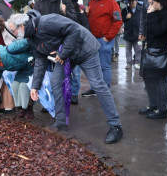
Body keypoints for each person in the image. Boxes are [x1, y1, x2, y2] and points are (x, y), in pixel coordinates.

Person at [16, 10, 123, 144]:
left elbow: (74, 29)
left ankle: (116, 126)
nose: (14, 34)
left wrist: (62, 54)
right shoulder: (31, 38)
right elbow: (40, 60)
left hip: (85, 50)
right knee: (56, 82)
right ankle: (60, 121)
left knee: (98, 85)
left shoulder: (47, 21)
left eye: (14, 31)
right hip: (66, 55)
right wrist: (35, 86)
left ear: (21, 26)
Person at [138, 0, 167, 119]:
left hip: (162, 51)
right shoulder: (152, 10)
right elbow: (148, 29)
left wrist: (151, 14)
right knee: (147, 77)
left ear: (160, 1)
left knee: (160, 80)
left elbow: (158, 31)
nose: (149, 4)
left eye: (151, 2)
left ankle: (162, 109)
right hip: (149, 48)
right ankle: (153, 105)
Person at [82, 0, 122, 97]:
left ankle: (105, 89)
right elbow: (89, 21)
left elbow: (118, 21)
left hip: (104, 40)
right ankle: (95, 88)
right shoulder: (92, 3)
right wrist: (86, 13)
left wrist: (108, 37)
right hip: (92, 40)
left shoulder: (112, 3)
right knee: (93, 66)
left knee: (104, 66)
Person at [68, 0, 90, 104]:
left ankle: (74, 94)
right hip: (67, 49)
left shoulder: (81, 17)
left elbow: (86, 31)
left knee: (76, 74)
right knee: (68, 73)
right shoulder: (64, 16)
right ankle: (69, 93)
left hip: (77, 49)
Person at [122, 0, 144, 69]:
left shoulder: (141, 9)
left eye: (133, 1)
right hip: (128, 33)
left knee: (138, 50)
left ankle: (137, 63)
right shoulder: (125, 10)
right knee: (128, 50)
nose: (132, 2)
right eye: (130, 1)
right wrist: (126, 17)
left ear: (136, 1)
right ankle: (129, 63)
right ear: (128, 1)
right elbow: (122, 20)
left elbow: (144, 20)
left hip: (137, 33)